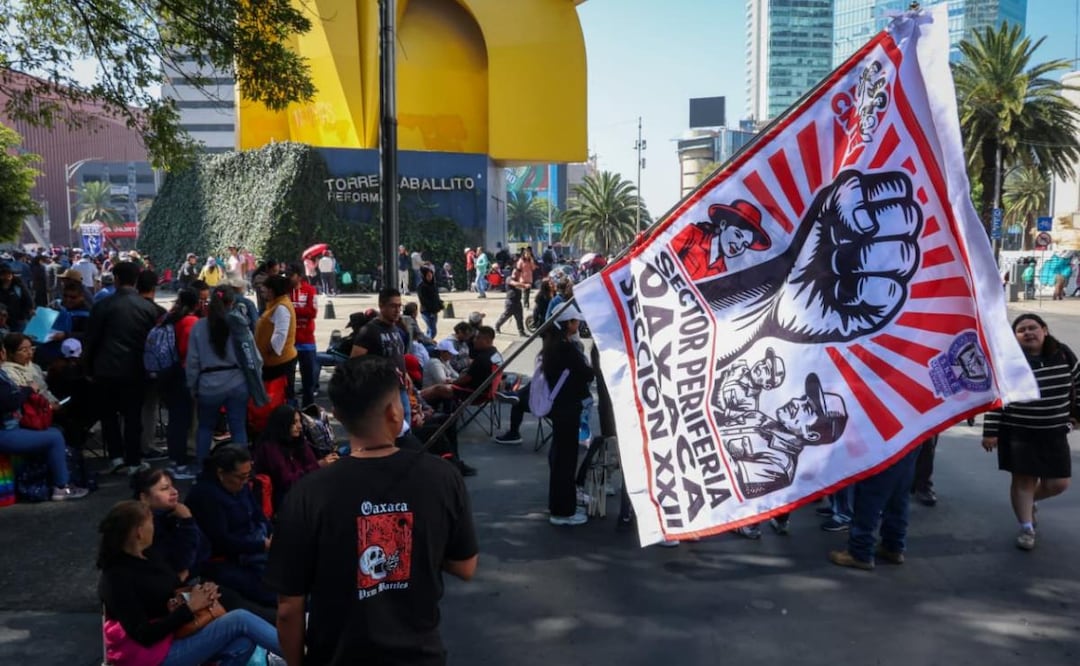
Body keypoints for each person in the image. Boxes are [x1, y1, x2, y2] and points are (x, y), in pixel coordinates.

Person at [265, 355, 478, 666]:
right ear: (394, 412)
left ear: (337, 415)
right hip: (419, 656)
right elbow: (465, 566)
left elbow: (288, 608)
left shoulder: (308, 493)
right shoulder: (442, 476)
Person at [97, 500, 282, 666]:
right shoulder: (115, 578)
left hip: (171, 638)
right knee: (240, 619)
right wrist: (189, 608)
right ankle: (301, 656)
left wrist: (201, 592)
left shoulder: (149, 555)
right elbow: (144, 635)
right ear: (139, 531)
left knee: (243, 643)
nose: (153, 527)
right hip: (148, 656)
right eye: (151, 522)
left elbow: (174, 585)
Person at [982, 313, 1078, 551]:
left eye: (1032, 327)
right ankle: (1026, 527)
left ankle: (1028, 501)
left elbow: (1079, 383)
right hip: (1018, 434)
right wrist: (990, 431)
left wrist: (1077, 416)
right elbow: (997, 398)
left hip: (1053, 432)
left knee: (1059, 483)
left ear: (1044, 330)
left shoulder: (1063, 354)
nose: (1028, 332)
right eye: (1021, 329)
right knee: (1023, 481)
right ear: (1015, 337)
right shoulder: (1008, 361)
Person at [83, 262, 160, 475]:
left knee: (108, 416)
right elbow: (153, 341)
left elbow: (91, 340)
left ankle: (116, 457)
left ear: (115, 278)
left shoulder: (102, 306)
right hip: (136, 369)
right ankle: (134, 460)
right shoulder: (148, 307)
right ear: (136, 280)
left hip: (105, 369)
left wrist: (87, 367)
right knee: (133, 416)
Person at [187, 447, 277, 608]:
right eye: (241, 477)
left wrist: (272, 533)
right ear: (221, 473)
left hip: (257, 542)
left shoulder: (241, 487)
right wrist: (261, 545)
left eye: (247, 476)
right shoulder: (205, 496)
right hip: (228, 558)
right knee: (274, 591)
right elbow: (221, 540)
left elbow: (258, 513)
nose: (244, 482)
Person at [0, 343, 88, 501]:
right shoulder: (5, 373)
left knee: (56, 431)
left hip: (11, 425)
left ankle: (55, 480)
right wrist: (28, 390)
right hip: (5, 431)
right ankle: (61, 487)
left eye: (30, 348)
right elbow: (10, 401)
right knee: (54, 438)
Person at [187, 287, 254, 463]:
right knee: (238, 428)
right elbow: (251, 355)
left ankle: (202, 469)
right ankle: (242, 468)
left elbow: (193, 361)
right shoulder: (239, 325)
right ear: (232, 303)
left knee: (205, 428)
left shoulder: (199, 327)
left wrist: (192, 385)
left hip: (209, 383)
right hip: (237, 381)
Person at [828, 444, 921, 571]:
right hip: (911, 435)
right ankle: (893, 546)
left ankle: (860, 551)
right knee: (899, 492)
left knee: (870, 493)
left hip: (886, 437)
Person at [543, 305, 595, 526]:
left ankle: (560, 506)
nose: (578, 325)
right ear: (567, 324)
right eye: (574, 322)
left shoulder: (552, 346)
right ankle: (563, 511)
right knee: (566, 459)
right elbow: (586, 374)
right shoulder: (567, 349)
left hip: (559, 406)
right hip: (568, 406)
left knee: (560, 457)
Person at [254, 404, 339, 514]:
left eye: (299, 422)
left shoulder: (298, 441)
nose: (299, 426)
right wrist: (318, 466)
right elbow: (286, 481)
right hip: (282, 497)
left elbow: (311, 463)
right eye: (294, 422)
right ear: (283, 424)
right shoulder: (270, 447)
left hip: (302, 489)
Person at [132, 468, 210, 583]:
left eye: (173, 486)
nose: (174, 492)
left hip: (195, 576)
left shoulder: (174, 513)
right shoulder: (145, 526)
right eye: (164, 489)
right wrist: (187, 522)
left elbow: (205, 549)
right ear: (144, 497)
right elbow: (181, 563)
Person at [159, 289, 200, 479]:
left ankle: (174, 460)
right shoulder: (191, 322)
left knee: (175, 419)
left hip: (167, 372)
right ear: (197, 304)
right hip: (184, 373)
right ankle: (180, 463)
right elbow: (188, 350)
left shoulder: (169, 317)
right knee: (183, 420)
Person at [256, 274, 298, 402]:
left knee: (282, 399)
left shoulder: (281, 307)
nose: (263, 294)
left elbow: (281, 333)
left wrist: (272, 349)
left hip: (279, 363)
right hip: (273, 362)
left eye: (265, 290)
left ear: (272, 291)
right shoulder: (276, 305)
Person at [287, 264, 319, 407]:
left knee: (308, 379)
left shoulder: (310, 290)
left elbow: (312, 312)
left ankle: (308, 407)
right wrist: (300, 310)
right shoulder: (285, 292)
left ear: (299, 276)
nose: (288, 278)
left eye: (291, 275)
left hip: (307, 341)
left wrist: (292, 310)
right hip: (290, 342)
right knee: (289, 380)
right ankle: (291, 407)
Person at [0, 262, 34, 332]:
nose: (7, 276)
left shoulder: (18, 286)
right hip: (2, 322)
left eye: (9, 273)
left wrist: (25, 314)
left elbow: (28, 301)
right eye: (4, 274)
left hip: (18, 321)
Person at [494, 267, 527, 336]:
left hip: (518, 301)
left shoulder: (519, 280)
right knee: (505, 316)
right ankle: (497, 326)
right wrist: (524, 285)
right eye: (514, 272)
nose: (514, 274)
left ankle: (521, 332)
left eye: (516, 273)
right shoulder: (509, 279)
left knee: (519, 318)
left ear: (519, 274)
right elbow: (514, 284)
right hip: (510, 301)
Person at [417, 265, 443, 339]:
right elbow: (423, 300)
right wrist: (431, 309)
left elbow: (436, 297)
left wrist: (440, 304)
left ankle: (426, 341)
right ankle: (428, 343)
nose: (430, 277)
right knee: (433, 330)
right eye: (428, 275)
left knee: (430, 329)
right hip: (427, 311)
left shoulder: (433, 284)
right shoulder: (421, 286)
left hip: (434, 311)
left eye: (431, 275)